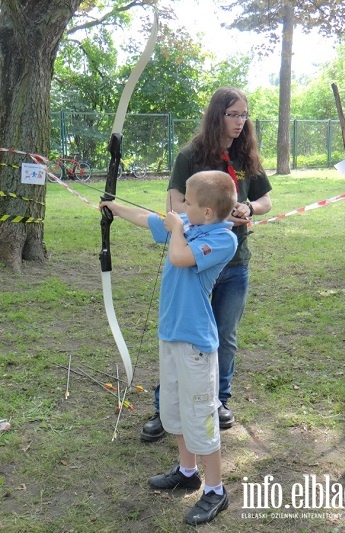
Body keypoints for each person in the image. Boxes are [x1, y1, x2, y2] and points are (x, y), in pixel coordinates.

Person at [101, 170, 238, 525]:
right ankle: (187, 470)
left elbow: (179, 257)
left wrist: (177, 228)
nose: (181, 207)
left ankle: (214, 491)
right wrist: (113, 206)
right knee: (174, 409)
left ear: (207, 211)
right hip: (172, 335)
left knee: (201, 413)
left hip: (195, 343)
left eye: (187, 203)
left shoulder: (223, 239)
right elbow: (148, 218)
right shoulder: (191, 226)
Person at [141, 87, 272, 442]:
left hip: (232, 260)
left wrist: (247, 208)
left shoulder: (246, 155)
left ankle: (218, 400)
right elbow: (175, 206)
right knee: (183, 337)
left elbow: (265, 200)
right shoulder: (191, 155)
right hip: (196, 260)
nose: (240, 121)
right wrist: (218, 216)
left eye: (244, 114)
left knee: (224, 335)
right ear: (217, 115)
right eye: (233, 114)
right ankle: (163, 406)